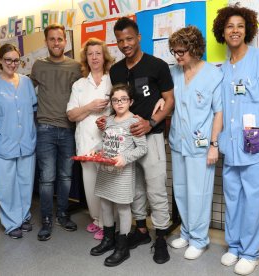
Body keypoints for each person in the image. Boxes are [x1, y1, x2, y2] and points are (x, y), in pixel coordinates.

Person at [213, 5, 259, 275]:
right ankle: (234, 246)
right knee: (233, 198)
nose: (235, 30)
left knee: (255, 200)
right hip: (232, 145)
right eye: (230, 26)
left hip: (257, 145)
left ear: (248, 31)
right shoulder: (223, 69)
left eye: (240, 26)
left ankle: (250, 252)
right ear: (222, 31)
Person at [98, 16, 175, 264]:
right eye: (120, 40)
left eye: (129, 39)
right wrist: (108, 120)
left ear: (138, 37)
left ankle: (160, 236)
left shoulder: (158, 65)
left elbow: (169, 100)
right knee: (135, 189)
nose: (125, 44)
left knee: (155, 189)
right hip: (125, 142)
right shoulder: (117, 70)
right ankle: (141, 230)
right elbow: (119, 102)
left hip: (150, 138)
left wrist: (151, 122)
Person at [168, 26, 223, 260]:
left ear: (195, 49)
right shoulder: (173, 73)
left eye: (182, 52)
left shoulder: (213, 74)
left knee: (198, 193)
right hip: (178, 142)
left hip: (201, 147)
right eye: (175, 52)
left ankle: (200, 239)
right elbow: (167, 100)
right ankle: (187, 232)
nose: (178, 56)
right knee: (180, 190)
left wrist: (213, 145)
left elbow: (218, 113)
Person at [30, 24, 82, 241]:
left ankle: (61, 213)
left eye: (60, 39)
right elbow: (25, 92)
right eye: (52, 39)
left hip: (69, 128)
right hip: (45, 129)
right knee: (47, 178)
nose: (56, 43)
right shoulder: (38, 66)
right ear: (46, 42)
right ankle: (47, 220)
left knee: (65, 176)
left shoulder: (76, 67)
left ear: (65, 42)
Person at [90, 84, 147, 267]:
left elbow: (143, 148)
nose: (119, 103)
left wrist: (125, 157)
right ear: (112, 103)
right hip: (106, 172)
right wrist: (95, 149)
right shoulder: (110, 120)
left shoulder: (134, 122)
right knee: (105, 205)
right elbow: (106, 141)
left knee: (123, 209)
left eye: (123, 99)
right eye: (115, 100)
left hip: (122, 174)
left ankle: (122, 247)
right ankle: (108, 240)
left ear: (130, 101)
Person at [67, 38, 113, 240]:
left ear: (105, 57)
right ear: (86, 58)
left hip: (107, 142)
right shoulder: (79, 85)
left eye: (98, 53)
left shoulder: (111, 80)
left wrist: (106, 118)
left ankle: (109, 222)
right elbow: (71, 115)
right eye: (90, 53)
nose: (94, 57)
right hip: (85, 142)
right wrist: (90, 107)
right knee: (90, 184)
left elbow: (122, 110)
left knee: (107, 183)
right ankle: (97, 220)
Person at [0, 44, 37, 239]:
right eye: (8, 60)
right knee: (6, 185)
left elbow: (33, 109)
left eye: (16, 60)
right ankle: (11, 222)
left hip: (26, 141)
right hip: (3, 142)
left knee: (25, 183)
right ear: (0, 60)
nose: (12, 64)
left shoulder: (26, 82)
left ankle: (24, 216)